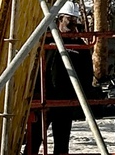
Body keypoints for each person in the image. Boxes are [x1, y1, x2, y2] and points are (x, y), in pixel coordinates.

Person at [26, 13, 97, 155]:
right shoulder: (46, 40)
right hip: (43, 98)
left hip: (65, 100)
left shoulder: (79, 46)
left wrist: (82, 95)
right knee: (33, 141)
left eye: (75, 22)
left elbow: (87, 73)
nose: (72, 26)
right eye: (69, 21)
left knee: (62, 143)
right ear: (59, 19)